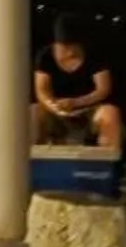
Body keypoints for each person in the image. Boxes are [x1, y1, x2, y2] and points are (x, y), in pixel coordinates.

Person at [32, 16, 121, 149]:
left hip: (89, 109)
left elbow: (103, 89)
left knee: (111, 113)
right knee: (33, 112)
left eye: (73, 46)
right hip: (56, 110)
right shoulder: (45, 56)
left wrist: (76, 102)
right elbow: (41, 90)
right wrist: (53, 106)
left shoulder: (94, 54)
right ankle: (31, 161)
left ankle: (106, 164)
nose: (69, 51)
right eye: (64, 46)